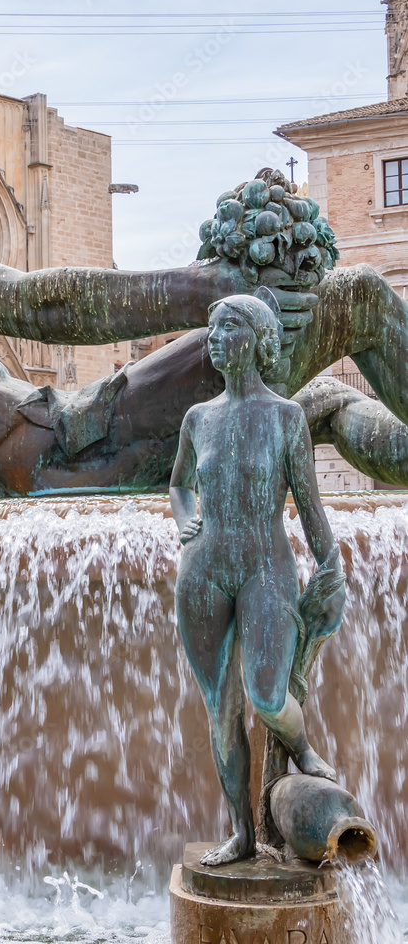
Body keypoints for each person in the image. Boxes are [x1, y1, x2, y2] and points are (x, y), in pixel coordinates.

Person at [0, 70, 408, 497]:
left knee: (327, 404)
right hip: (77, 447)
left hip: (59, 445)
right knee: (356, 297)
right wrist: (209, 286)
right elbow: (38, 304)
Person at [169, 292, 345, 867]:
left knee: (267, 695)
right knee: (221, 710)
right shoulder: (198, 419)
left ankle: (301, 745)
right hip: (203, 570)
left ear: (259, 339)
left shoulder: (287, 417)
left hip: (266, 567)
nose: (214, 337)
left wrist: (330, 564)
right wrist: (183, 516)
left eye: (229, 326)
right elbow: (178, 484)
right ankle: (242, 833)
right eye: (212, 329)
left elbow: (311, 507)